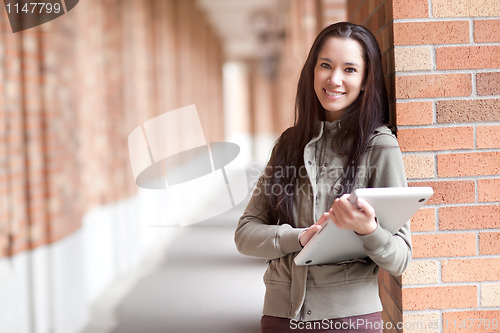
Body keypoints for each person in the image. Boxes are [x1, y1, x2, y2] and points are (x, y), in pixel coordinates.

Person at [234, 22, 411, 333]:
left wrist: (368, 229)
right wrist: (300, 237)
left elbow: (400, 259)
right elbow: (245, 233)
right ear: (312, 71)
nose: (335, 79)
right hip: (279, 317)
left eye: (350, 69)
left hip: (349, 321)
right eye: (325, 65)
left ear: (366, 79)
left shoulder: (379, 146)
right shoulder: (288, 145)